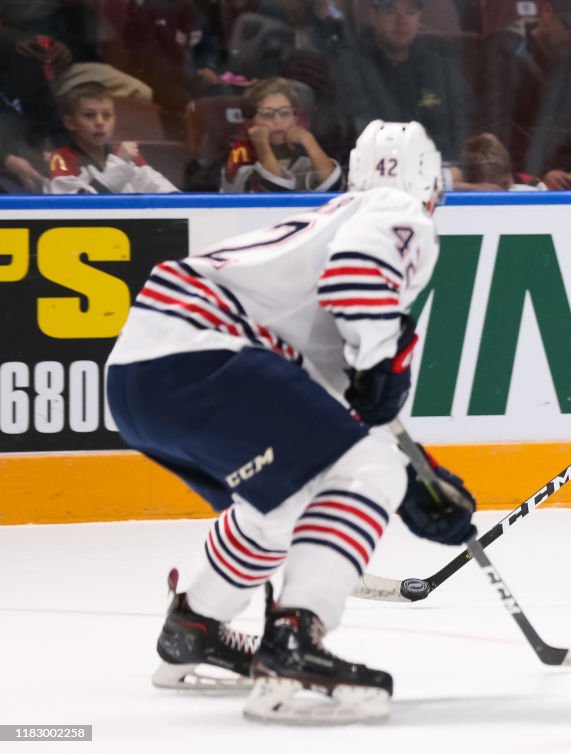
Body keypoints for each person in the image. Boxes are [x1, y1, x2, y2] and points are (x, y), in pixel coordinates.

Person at [104, 120, 477, 724]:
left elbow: (338, 415)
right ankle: (294, 645)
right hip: (203, 355)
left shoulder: (324, 226)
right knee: (368, 472)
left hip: (139, 378)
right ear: (432, 185)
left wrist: (422, 475)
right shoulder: (398, 211)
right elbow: (357, 276)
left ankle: (194, 628)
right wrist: (382, 370)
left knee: (288, 498)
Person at [333, 0, 469, 163]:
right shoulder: (350, 67)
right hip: (378, 174)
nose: (401, 21)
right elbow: (360, 133)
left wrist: (456, 170)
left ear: (420, 17)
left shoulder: (440, 69)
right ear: (373, 16)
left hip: (442, 177)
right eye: (391, 12)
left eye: (410, 12)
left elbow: (461, 130)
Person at [479, 0, 571, 189]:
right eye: (570, 28)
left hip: (566, 188)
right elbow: (495, 135)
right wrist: (537, 178)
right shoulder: (504, 55)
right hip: (514, 189)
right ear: (546, 11)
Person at [46, 81, 178, 193]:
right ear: (70, 123)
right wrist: (120, 165)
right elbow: (77, 209)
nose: (100, 122)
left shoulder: (127, 156)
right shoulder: (61, 158)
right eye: (89, 115)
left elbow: (166, 192)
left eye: (107, 115)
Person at [220, 76, 342, 192]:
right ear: (249, 123)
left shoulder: (303, 154)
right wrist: (261, 143)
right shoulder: (240, 155)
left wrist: (308, 140)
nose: (278, 121)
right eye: (267, 115)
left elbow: (333, 187)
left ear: (295, 119)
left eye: (285, 113)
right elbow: (275, 190)